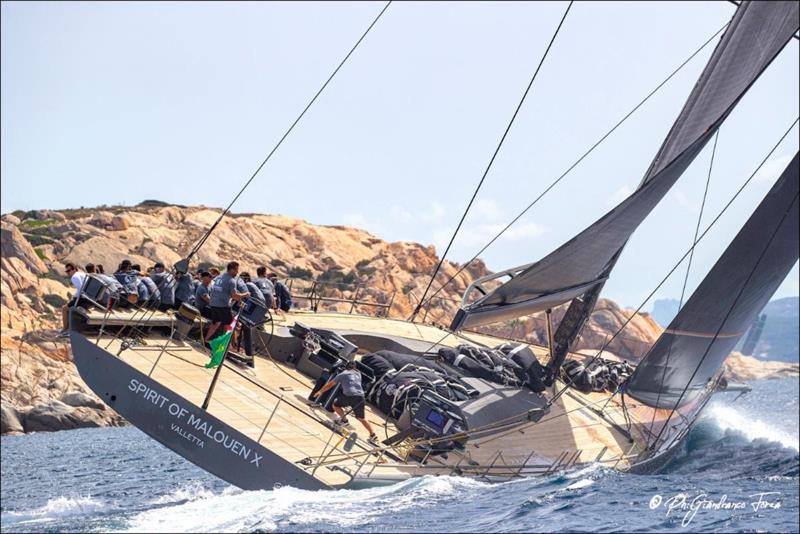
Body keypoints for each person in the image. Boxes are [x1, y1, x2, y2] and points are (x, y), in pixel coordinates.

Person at [313, 361, 378, 445]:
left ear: (346, 368)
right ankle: (373, 435)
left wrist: (320, 391)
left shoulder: (342, 374)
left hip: (350, 396)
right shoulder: (358, 374)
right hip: (360, 397)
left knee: (335, 405)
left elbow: (330, 385)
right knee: (361, 418)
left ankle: (344, 420)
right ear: (354, 368)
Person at [205, 261, 249, 341]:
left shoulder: (219, 277)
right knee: (230, 325)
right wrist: (245, 294)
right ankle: (226, 346)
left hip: (213, 304)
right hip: (222, 306)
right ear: (231, 270)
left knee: (215, 323)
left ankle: (205, 340)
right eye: (236, 270)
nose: (237, 272)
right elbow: (235, 296)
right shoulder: (231, 280)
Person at [59, 262, 89, 337]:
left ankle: (65, 329)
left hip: (83, 298)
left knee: (64, 308)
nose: (68, 273)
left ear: (74, 269)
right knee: (69, 307)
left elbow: (81, 288)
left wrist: (76, 296)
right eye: (67, 271)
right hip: (88, 298)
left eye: (69, 271)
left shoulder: (74, 277)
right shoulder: (82, 274)